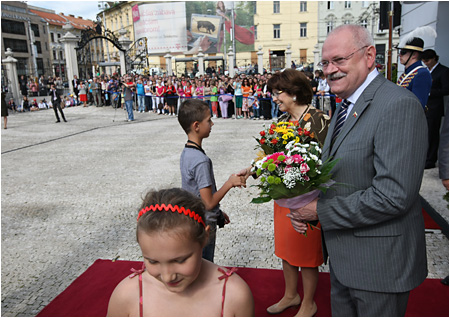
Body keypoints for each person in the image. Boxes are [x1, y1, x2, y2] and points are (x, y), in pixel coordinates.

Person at [290, 24, 428, 316]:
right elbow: (346, 178)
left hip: (379, 267)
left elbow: (393, 196)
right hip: (344, 259)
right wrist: (303, 205)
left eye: (339, 60)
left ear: (368, 56)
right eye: (325, 62)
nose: (329, 70)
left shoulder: (397, 105)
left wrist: (319, 211)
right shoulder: (345, 105)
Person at [240, 69, 330, 316]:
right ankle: (291, 295)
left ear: (294, 92)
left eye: (278, 92)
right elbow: (270, 156)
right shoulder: (281, 122)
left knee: (307, 255)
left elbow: (329, 161)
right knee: (287, 250)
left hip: (309, 200)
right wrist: (252, 170)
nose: (274, 97)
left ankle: (308, 302)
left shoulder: (318, 119)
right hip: (283, 198)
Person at [106, 187, 254, 317]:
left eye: (179, 260)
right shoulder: (127, 295)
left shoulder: (234, 296)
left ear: (204, 238)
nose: (167, 276)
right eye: (153, 261)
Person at [178, 99, 246, 262]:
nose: (212, 124)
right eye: (208, 120)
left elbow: (193, 192)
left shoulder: (187, 152)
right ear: (196, 126)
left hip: (192, 217)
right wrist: (229, 183)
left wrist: (218, 212)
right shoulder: (201, 160)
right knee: (205, 263)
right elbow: (207, 202)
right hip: (204, 222)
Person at [422, 49, 449, 169]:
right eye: (424, 61)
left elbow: (446, 89)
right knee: (425, 134)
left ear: (434, 59)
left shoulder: (443, 71)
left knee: (433, 134)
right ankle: (425, 157)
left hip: (435, 108)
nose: (426, 63)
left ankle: (431, 160)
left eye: (427, 60)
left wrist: (429, 93)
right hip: (426, 107)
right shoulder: (426, 71)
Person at [397, 36, 432, 109]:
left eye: (403, 52)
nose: (399, 55)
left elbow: (417, 106)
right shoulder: (407, 73)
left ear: (414, 55)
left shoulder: (422, 74)